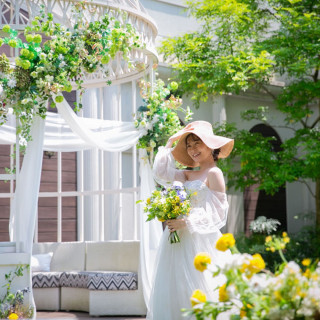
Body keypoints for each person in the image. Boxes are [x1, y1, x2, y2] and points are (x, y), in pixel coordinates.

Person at [147, 120, 234, 320]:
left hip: (201, 239)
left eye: (197, 143)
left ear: (210, 145)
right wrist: (169, 143)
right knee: (176, 287)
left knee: (202, 285)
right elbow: (160, 173)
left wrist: (186, 222)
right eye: (189, 145)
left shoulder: (215, 173)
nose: (192, 149)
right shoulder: (186, 174)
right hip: (176, 240)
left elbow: (219, 212)